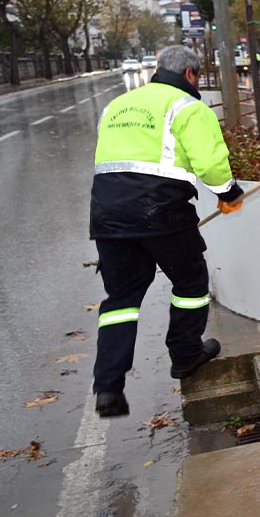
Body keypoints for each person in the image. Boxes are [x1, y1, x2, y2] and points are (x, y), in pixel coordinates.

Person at [90, 45, 246, 418]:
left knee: (121, 298)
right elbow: (210, 162)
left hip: (108, 211)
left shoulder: (118, 105)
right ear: (191, 74)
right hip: (161, 210)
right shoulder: (188, 106)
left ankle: (108, 387)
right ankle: (186, 354)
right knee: (191, 283)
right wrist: (229, 193)